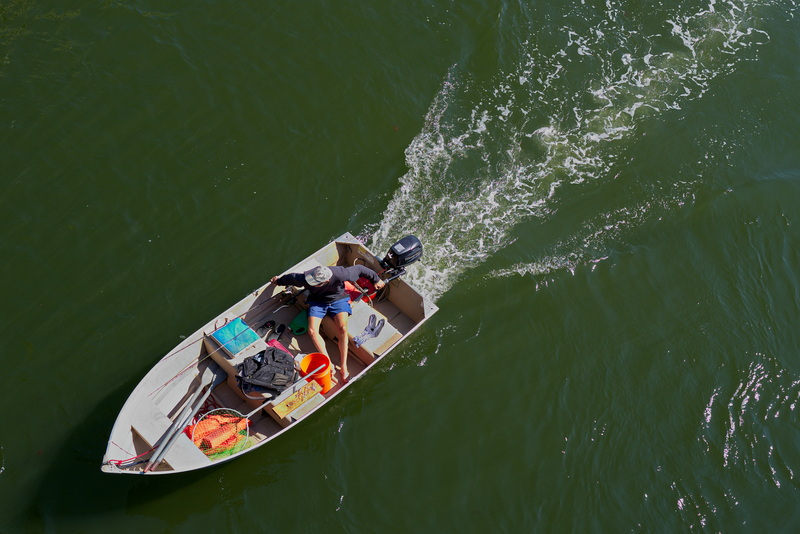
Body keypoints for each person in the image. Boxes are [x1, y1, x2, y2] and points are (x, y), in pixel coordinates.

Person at [271, 265, 385, 383]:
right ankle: (328, 362)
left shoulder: (341, 273)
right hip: (317, 302)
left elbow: (360, 269)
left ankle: (344, 367)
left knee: (343, 329)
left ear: (327, 280)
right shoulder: (305, 278)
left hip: (338, 299)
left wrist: (376, 279)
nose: (313, 284)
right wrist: (278, 281)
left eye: (317, 283)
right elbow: (290, 278)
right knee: (312, 331)